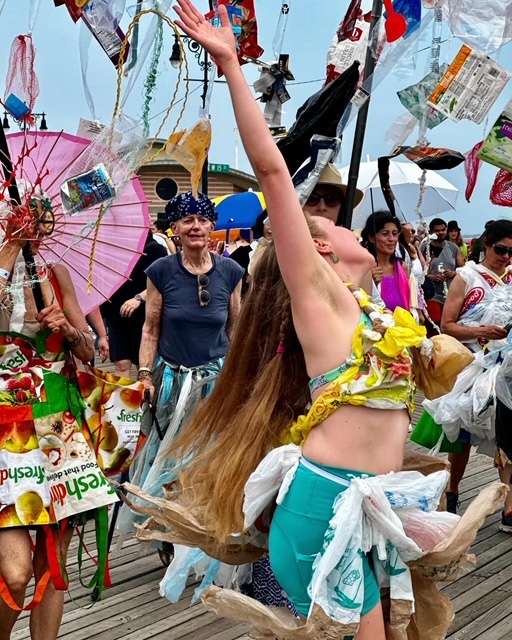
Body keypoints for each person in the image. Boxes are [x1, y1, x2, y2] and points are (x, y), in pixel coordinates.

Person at [166, 4, 460, 637]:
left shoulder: (377, 311)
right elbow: (274, 169)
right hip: (325, 508)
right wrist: (229, 63)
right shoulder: (320, 303)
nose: (351, 227)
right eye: (332, 223)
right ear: (320, 249)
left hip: (371, 510)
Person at [0, 186, 96, 640]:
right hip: (7, 431)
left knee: (51, 566)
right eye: (23, 216)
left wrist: (69, 330)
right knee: (15, 572)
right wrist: (10, 250)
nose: (34, 225)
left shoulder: (56, 273)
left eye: (40, 218)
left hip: (59, 425)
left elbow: (89, 351)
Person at [121, 191, 243, 537]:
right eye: (187, 220)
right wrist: (145, 376)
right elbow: (151, 328)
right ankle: (169, 525)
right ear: (174, 228)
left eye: (203, 220)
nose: (196, 227)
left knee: (211, 451)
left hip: (215, 380)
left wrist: (240, 376)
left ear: (212, 226)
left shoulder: (231, 271)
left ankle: (204, 523)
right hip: (173, 380)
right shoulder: (161, 271)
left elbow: (236, 328)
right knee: (170, 451)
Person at [440, 220, 512, 521]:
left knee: (507, 432)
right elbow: (447, 325)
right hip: (473, 364)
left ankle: (508, 505)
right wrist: (481, 330)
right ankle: (452, 489)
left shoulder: (511, 276)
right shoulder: (467, 277)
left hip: (507, 366)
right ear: (486, 244)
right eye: (501, 250)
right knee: (464, 435)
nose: (506, 257)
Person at [100, 230, 167, 378]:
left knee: (143, 366)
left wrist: (139, 298)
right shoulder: (113, 251)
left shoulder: (155, 249)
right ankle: (125, 394)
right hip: (117, 315)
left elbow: (163, 282)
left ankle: (144, 393)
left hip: (143, 316)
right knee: (121, 364)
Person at [361, 211, 412, 313]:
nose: (391, 239)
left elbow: (412, 302)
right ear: (371, 237)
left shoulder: (402, 267)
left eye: (395, 233)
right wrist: (371, 285)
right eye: (385, 234)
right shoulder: (365, 270)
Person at [421, 217, 464, 325]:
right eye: (437, 230)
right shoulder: (425, 248)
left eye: (443, 230)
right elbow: (417, 272)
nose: (441, 233)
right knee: (434, 325)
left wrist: (453, 273)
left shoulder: (453, 248)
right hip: (432, 295)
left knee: (450, 325)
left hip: (450, 295)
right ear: (431, 232)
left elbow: (464, 269)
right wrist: (432, 276)